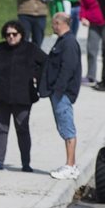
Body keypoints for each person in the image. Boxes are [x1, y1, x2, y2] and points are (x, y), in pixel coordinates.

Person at [0, 20, 47, 172]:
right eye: (7, 35)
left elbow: (45, 62)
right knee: (1, 129)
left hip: (23, 97)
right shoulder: (0, 49)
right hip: (1, 96)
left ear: (21, 34)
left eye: (14, 34)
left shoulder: (30, 49)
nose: (11, 37)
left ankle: (26, 163)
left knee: (22, 129)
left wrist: (37, 77)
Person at [39, 13, 82, 180]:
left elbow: (68, 68)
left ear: (61, 24)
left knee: (67, 128)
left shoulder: (69, 43)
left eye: (54, 23)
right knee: (63, 127)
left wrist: (59, 90)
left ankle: (70, 165)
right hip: (58, 93)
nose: (52, 26)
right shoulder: (62, 41)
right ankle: (70, 164)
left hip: (62, 94)